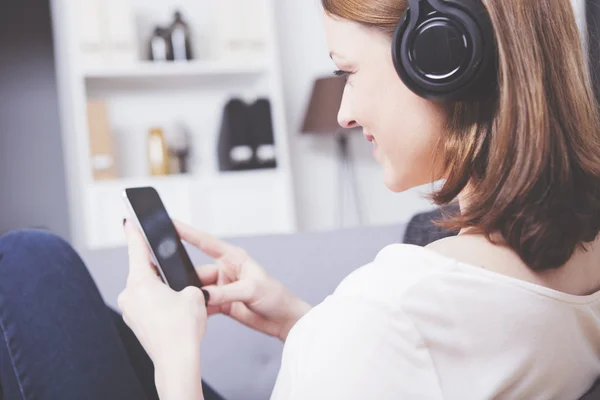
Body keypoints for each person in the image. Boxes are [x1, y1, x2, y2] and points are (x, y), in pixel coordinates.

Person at [1, 0, 600, 398]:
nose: (343, 111)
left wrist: (175, 359)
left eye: (347, 72)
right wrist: (301, 323)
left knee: (29, 265)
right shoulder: (584, 255)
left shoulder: (390, 307)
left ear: (442, 58)